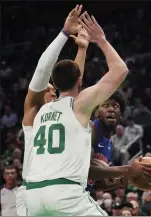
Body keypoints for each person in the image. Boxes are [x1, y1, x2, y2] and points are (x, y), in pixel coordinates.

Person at [25, 9, 151, 216]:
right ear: (80, 81)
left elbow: (62, 78)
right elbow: (120, 70)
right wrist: (101, 40)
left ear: (55, 84)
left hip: (32, 197)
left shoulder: (40, 111)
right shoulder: (79, 106)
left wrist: (78, 46)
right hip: (65, 194)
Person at [16, 6, 89, 216]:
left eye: (53, 88)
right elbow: (42, 72)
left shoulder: (66, 108)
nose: (50, 90)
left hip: (57, 191)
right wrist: (64, 34)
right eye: (46, 89)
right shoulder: (36, 111)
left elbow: (74, 82)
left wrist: (82, 49)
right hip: (33, 190)